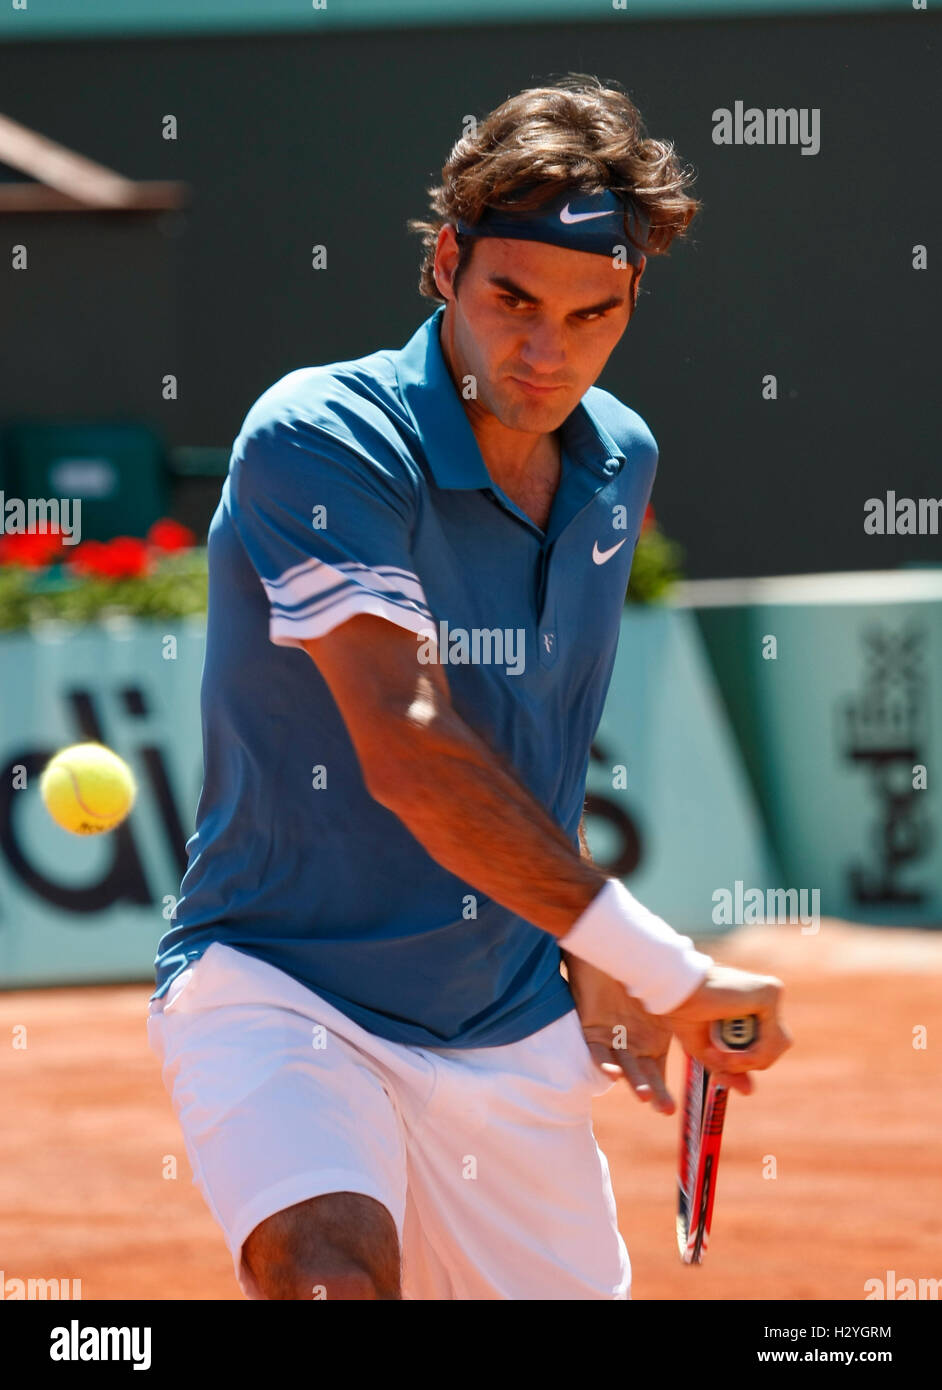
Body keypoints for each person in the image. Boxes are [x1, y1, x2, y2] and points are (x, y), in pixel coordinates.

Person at [148, 74, 789, 1301]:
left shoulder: (619, 462)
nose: (549, 353)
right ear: (445, 262)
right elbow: (412, 743)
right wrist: (654, 957)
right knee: (328, 1271)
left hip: (505, 1022)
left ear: (632, 299)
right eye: (512, 299)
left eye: (595, 313)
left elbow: (528, 736)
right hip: (284, 988)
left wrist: (578, 941)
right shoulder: (322, 436)